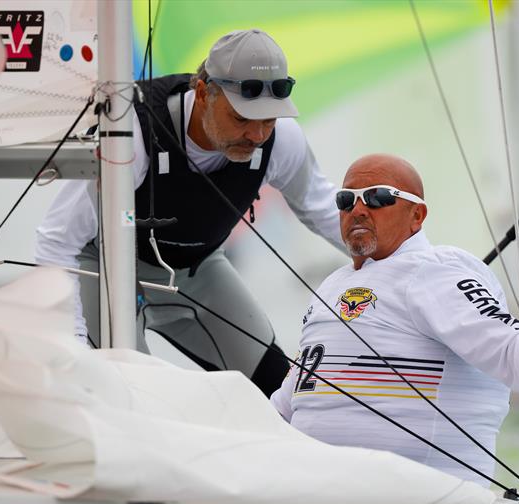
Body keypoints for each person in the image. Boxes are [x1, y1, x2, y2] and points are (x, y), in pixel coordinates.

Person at [35, 29, 344, 396]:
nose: (257, 134)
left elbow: (325, 211)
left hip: (197, 271)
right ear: (202, 92)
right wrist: (72, 347)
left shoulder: (283, 140)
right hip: (107, 268)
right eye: (242, 117)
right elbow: (55, 242)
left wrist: (412, 262)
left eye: (269, 120)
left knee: (280, 386)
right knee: (128, 392)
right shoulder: (130, 132)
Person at [270, 154, 519, 486]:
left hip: (420, 496)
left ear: (417, 215)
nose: (358, 209)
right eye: (347, 200)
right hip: (317, 487)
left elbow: (501, 333)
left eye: (377, 197)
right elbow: (296, 393)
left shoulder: (433, 270)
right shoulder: (331, 285)